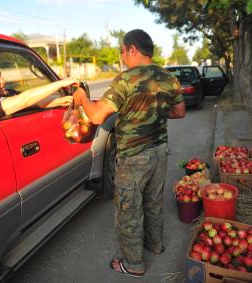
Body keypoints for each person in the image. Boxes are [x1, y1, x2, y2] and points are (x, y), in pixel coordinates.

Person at [73, 29, 186, 277]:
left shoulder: (125, 79)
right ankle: (155, 246)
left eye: (122, 50)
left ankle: (133, 264)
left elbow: (95, 116)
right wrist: (152, 114)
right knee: (154, 202)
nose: (122, 55)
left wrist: (82, 98)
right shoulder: (169, 77)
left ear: (133, 49)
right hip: (160, 152)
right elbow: (179, 112)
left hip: (134, 156)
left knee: (129, 210)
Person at [0, 64, 74, 116]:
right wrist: (60, 83)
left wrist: (60, 101)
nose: (3, 81)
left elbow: (33, 102)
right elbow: (25, 100)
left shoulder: (9, 93)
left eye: (1, 77)